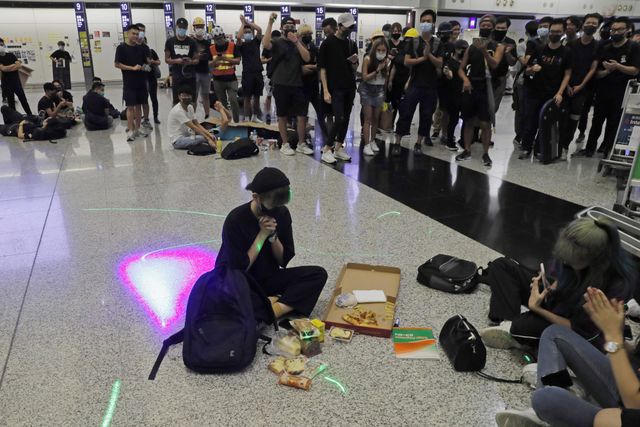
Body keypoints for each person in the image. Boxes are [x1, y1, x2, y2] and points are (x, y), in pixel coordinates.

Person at [480, 217, 634, 350]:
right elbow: (557, 274)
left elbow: (580, 331)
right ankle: (507, 322)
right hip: (560, 301)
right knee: (501, 266)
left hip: (577, 330)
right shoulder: (574, 257)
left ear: (594, 260)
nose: (565, 262)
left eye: (571, 262)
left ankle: (514, 327)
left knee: (522, 327)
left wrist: (537, 309)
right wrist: (544, 284)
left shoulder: (615, 286)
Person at [496, 287, 640, 427]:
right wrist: (615, 331)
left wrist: (613, 337)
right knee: (554, 334)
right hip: (629, 381)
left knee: (545, 399)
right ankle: (556, 397)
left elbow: (633, 407)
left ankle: (554, 405)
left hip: (630, 407)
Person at [216, 167, 327, 319]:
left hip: (267, 277)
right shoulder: (236, 220)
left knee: (318, 274)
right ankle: (272, 303)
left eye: (279, 206)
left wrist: (273, 237)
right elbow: (240, 268)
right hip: (241, 280)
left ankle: (273, 311)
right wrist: (262, 236)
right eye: (272, 206)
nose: (276, 210)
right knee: (228, 300)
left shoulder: (282, 213)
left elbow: (283, 260)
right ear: (256, 198)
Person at [575, 16, 640, 158]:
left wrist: (617, 66)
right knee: (597, 120)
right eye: (613, 29)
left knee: (614, 122)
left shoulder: (633, 47)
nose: (616, 32)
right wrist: (606, 71)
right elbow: (596, 71)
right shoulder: (605, 46)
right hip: (603, 89)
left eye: (619, 29)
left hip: (622, 91)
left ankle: (607, 149)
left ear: (627, 30)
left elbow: (635, 70)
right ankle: (589, 148)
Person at [518, 18, 572, 160]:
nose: (554, 34)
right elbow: (527, 70)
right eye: (552, 31)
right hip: (535, 92)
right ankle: (526, 148)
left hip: (553, 94)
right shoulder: (539, 49)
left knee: (548, 124)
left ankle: (541, 150)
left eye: (558, 32)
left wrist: (560, 93)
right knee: (530, 122)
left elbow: (567, 75)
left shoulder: (566, 52)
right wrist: (532, 69)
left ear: (563, 32)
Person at [455, 15, 505, 167]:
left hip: (487, 87)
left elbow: (495, 64)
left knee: (485, 123)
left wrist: (484, 51)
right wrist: (465, 79)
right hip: (472, 86)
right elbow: (461, 68)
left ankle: (485, 153)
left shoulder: (498, 46)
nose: (485, 27)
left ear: (493, 27)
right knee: (468, 120)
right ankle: (467, 149)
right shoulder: (471, 47)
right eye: (483, 24)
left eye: (488, 24)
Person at [392, 9, 443, 156]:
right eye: (423, 21)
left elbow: (440, 63)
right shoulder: (414, 41)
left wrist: (429, 55)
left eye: (428, 21)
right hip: (414, 83)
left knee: (426, 115)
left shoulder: (438, 43)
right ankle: (397, 141)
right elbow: (407, 61)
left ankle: (419, 142)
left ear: (433, 23)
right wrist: (422, 58)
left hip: (430, 86)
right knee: (406, 113)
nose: (425, 23)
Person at [263, 14, 311, 157]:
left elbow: (307, 58)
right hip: (281, 84)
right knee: (282, 115)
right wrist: (270, 23)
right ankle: (285, 144)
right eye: (286, 27)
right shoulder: (277, 42)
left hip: (297, 84)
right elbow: (266, 44)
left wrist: (296, 42)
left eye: (292, 27)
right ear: (281, 28)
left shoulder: (298, 42)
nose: (289, 29)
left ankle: (301, 143)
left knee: (302, 115)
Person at [558, 13, 600, 160]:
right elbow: (565, 67)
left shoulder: (597, 46)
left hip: (583, 91)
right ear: (583, 24)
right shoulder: (571, 45)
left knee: (574, 119)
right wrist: (568, 84)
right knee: (562, 118)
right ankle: (557, 146)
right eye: (589, 22)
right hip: (566, 87)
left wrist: (581, 85)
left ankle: (565, 146)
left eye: (594, 24)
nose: (591, 26)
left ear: (598, 26)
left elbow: (593, 68)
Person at [318, 13, 358, 164]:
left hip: (349, 86)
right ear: (339, 26)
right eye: (347, 27)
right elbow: (322, 69)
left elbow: (355, 67)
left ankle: (339, 146)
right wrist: (326, 91)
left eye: (351, 27)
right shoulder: (327, 43)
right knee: (338, 117)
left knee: (346, 117)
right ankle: (327, 148)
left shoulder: (351, 44)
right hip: (335, 87)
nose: (349, 30)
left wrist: (354, 63)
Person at [115, 24, 151, 142]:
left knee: (139, 106)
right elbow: (117, 64)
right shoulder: (121, 48)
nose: (135, 36)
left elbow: (146, 64)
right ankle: (130, 130)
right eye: (133, 33)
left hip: (141, 82)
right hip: (129, 82)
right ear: (127, 34)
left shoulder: (141, 48)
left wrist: (145, 67)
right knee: (130, 108)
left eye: (137, 34)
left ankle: (138, 128)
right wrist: (132, 68)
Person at [299, 24, 328, 148]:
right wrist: (312, 67)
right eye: (305, 35)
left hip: (314, 87)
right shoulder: (297, 49)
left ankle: (328, 139)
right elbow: (300, 69)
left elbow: (319, 65)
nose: (308, 37)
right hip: (302, 87)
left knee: (321, 114)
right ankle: (303, 138)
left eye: (310, 34)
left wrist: (309, 67)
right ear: (300, 36)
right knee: (302, 115)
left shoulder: (314, 48)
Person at [359, 38, 389, 156]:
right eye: (379, 50)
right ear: (374, 49)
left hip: (380, 90)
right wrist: (378, 70)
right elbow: (365, 77)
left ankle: (372, 141)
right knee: (368, 118)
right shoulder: (368, 59)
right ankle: (366, 144)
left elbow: (386, 79)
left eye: (383, 50)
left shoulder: (387, 61)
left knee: (376, 118)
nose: (381, 52)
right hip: (367, 90)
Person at [513, 20, 540, 146]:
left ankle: (527, 135)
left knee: (530, 110)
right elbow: (524, 62)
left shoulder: (544, 44)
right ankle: (519, 134)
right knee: (521, 109)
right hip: (523, 80)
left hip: (537, 82)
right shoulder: (522, 46)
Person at [209, 25, 241, 123]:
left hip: (231, 79)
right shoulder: (211, 48)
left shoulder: (232, 45)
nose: (218, 40)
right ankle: (226, 121)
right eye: (216, 39)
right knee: (222, 103)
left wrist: (226, 59)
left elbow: (238, 60)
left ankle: (236, 122)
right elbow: (208, 63)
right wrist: (216, 60)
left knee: (233, 100)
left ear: (224, 36)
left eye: (220, 38)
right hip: (218, 80)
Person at [440, 39, 467, 151]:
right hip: (452, 95)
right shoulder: (450, 62)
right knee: (453, 119)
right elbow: (448, 74)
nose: (463, 51)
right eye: (462, 49)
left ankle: (463, 140)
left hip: (464, 95)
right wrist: (448, 74)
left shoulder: (466, 63)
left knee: (466, 118)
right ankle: (450, 140)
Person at [236, 15, 264, 123]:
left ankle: (255, 117)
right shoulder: (241, 45)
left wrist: (248, 22)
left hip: (257, 72)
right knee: (247, 97)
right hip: (247, 73)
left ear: (252, 33)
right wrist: (243, 24)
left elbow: (260, 29)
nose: (247, 33)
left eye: (249, 32)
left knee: (257, 96)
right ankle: (247, 118)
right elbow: (238, 37)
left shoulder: (256, 42)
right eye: (245, 32)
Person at [165, 17, 198, 106]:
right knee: (176, 101)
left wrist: (190, 61)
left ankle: (191, 118)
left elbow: (196, 60)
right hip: (177, 76)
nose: (181, 29)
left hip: (190, 75)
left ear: (186, 28)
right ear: (176, 27)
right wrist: (176, 61)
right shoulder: (170, 41)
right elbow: (167, 60)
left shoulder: (192, 42)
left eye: (183, 27)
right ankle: (176, 119)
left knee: (192, 100)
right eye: (180, 27)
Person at [492, 16, 518, 113]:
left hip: (500, 78)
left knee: (494, 107)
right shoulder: (489, 39)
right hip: (485, 76)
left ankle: (488, 126)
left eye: (503, 28)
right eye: (498, 28)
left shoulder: (510, 42)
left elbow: (512, 62)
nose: (500, 30)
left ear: (507, 28)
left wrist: (507, 52)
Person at [0, 38, 32, 116]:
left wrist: (8, 67)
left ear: (4, 45)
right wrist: (13, 65)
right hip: (6, 83)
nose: (0, 46)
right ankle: (14, 119)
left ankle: (30, 115)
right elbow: (3, 69)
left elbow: (19, 66)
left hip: (16, 82)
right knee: (11, 102)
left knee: (23, 99)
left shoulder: (11, 55)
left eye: (1, 44)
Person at [135, 24, 159, 128]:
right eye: (139, 31)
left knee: (153, 98)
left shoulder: (148, 49)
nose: (141, 33)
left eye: (143, 31)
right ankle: (141, 120)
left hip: (150, 77)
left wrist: (148, 64)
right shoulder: (132, 47)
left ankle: (153, 117)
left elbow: (151, 63)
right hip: (138, 78)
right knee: (141, 100)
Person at [191, 17, 212, 118]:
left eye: (201, 27)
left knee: (206, 95)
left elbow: (209, 57)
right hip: (194, 73)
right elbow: (192, 57)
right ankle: (192, 117)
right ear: (194, 28)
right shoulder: (191, 42)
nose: (199, 28)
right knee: (193, 96)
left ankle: (207, 115)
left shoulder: (207, 43)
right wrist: (200, 56)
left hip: (205, 72)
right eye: (197, 27)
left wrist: (200, 56)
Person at [261, 30, 280, 125]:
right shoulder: (268, 48)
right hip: (270, 74)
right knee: (269, 96)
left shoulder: (281, 47)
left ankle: (279, 114)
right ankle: (267, 114)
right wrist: (269, 60)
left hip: (280, 75)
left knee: (279, 97)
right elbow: (262, 59)